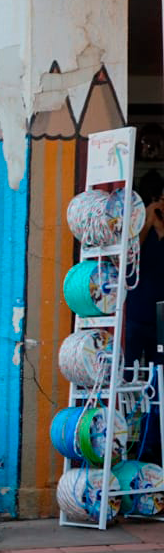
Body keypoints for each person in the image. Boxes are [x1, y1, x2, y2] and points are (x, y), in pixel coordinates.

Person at [122, 170, 164, 461]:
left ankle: (151, 443)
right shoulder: (142, 223)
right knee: (126, 378)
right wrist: (149, 219)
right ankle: (124, 441)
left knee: (157, 382)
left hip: (156, 316)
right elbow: (130, 255)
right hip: (139, 312)